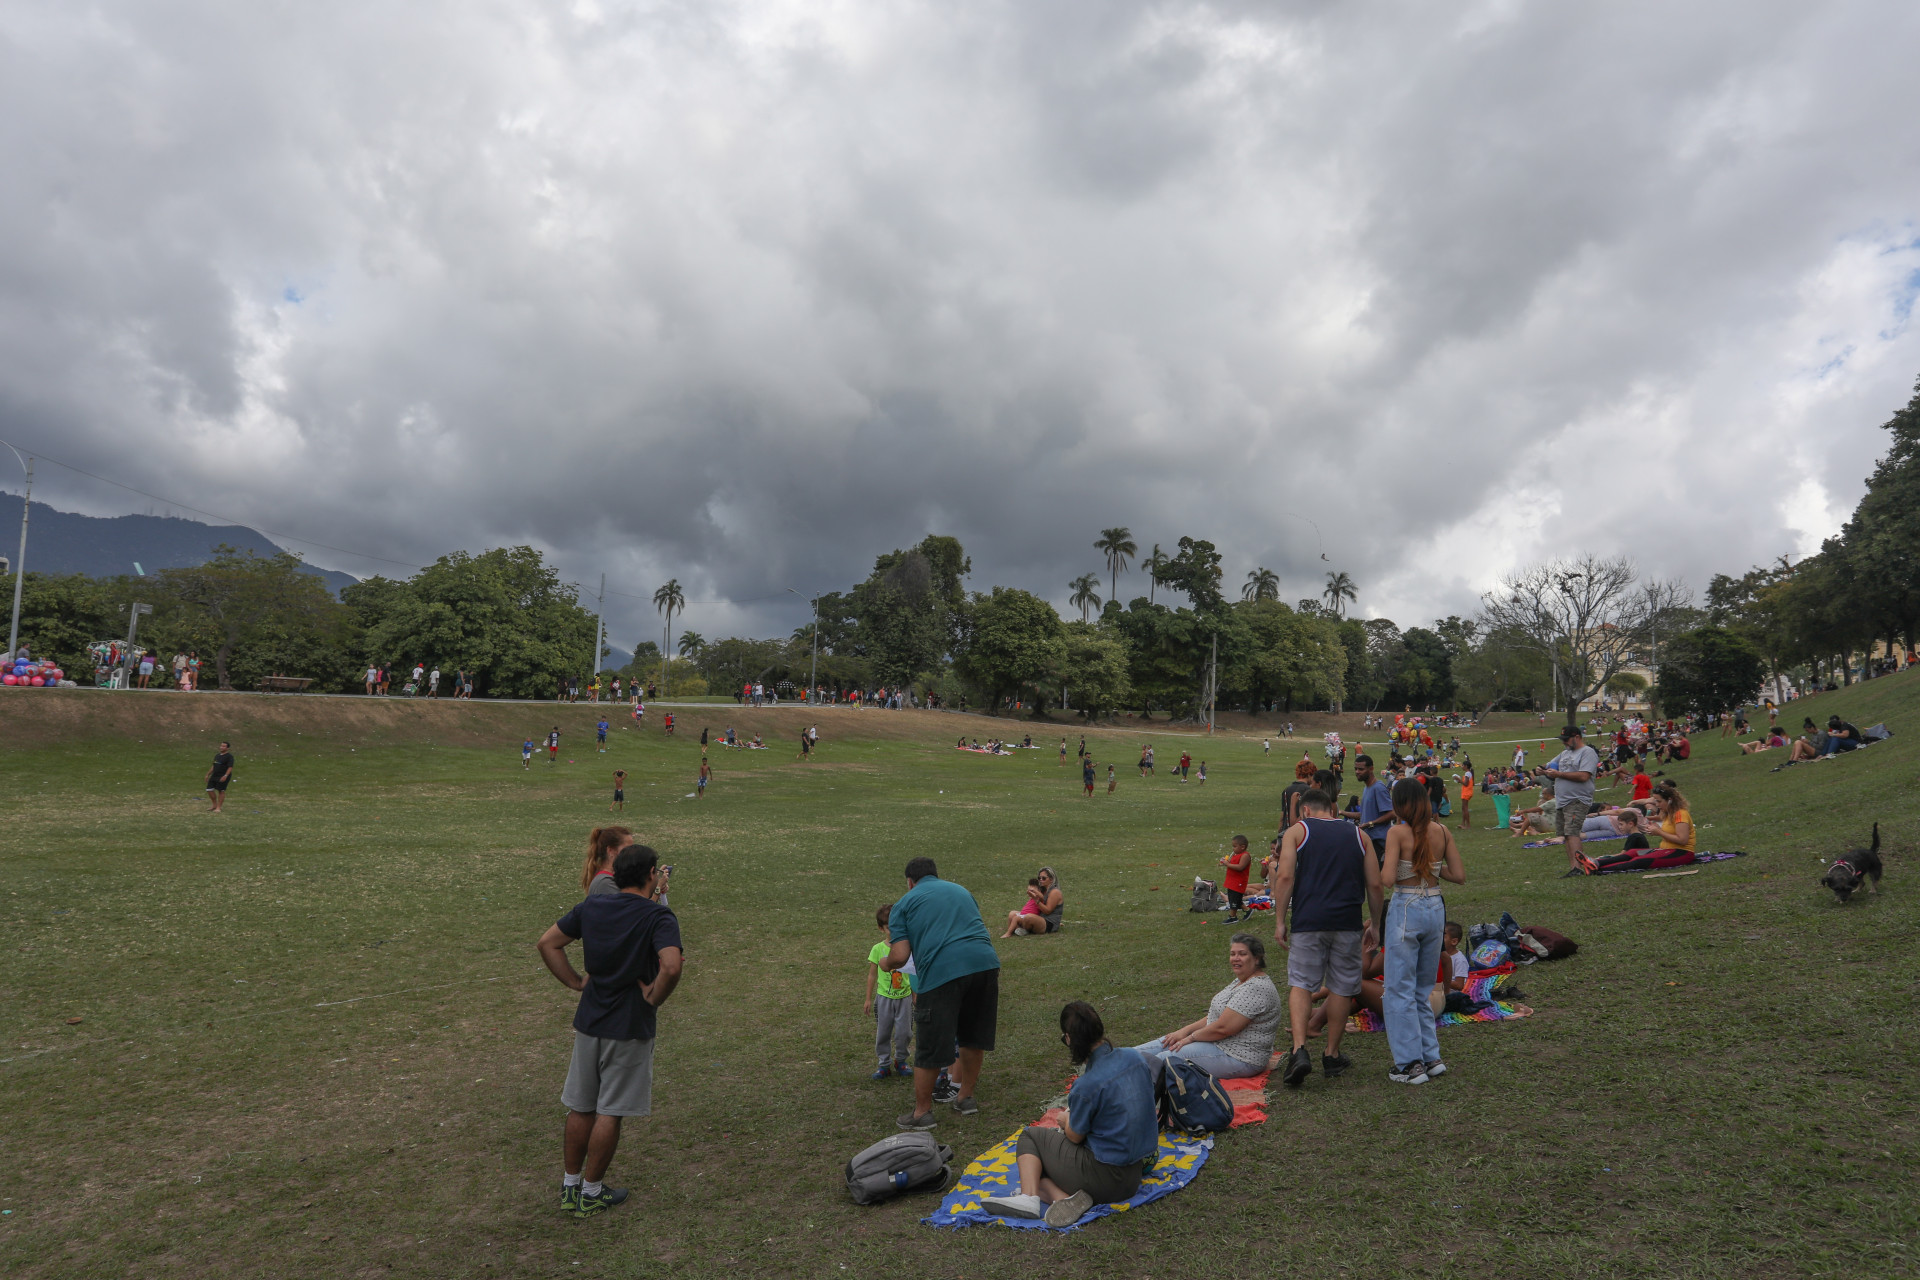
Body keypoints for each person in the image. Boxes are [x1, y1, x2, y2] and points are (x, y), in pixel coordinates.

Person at [536, 845, 682, 1217]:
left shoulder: (592, 907)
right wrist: (652, 999)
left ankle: (570, 1186)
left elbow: (548, 943)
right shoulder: (657, 916)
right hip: (629, 1024)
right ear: (652, 873)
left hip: (590, 1020)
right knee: (610, 1110)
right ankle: (592, 1192)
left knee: (581, 1105)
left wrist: (575, 983)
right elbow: (671, 966)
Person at [980, 1002, 1158, 1228]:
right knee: (1037, 1168)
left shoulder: (1086, 1085)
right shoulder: (1135, 1057)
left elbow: (1075, 1136)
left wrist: (1065, 1120)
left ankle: (1028, 1198)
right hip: (1134, 1176)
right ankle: (1061, 1197)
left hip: (1104, 1179)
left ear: (1069, 1039)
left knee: (1031, 1138)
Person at [1271, 788, 1384, 1087]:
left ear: (1306, 811)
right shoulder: (1360, 836)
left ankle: (1299, 1050)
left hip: (1309, 921)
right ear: (1332, 810)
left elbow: (1284, 877)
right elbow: (1374, 884)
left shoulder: (1297, 831)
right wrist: (1375, 923)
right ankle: (1332, 1054)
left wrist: (1280, 920)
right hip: (1347, 923)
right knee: (1341, 987)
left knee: (1301, 984)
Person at [880, 857, 1000, 1128]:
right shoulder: (961, 891)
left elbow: (899, 955)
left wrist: (884, 963)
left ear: (910, 882)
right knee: (972, 1037)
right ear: (935, 875)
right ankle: (965, 1097)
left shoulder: (905, 903)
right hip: (985, 964)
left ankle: (921, 1113)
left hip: (943, 972)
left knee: (930, 1043)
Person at [1378, 779, 1466, 1085]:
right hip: (1435, 908)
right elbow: (1459, 875)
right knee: (1424, 986)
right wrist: (1429, 866)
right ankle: (1432, 1057)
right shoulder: (1442, 831)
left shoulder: (1396, 832)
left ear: (1400, 804)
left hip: (1406, 907)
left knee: (1398, 988)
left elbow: (1388, 879)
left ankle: (1409, 1065)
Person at [1133, 933, 1280, 1080]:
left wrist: (1190, 1038)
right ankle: (1116, 1061)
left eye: (1242, 954)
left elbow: (1223, 1028)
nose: (1235, 958)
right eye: (1232, 954)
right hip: (1219, 1042)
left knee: (1164, 1059)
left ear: (1257, 958)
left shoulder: (1256, 988)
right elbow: (1216, 1016)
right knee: (1150, 1048)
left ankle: (1123, 1086)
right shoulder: (1240, 981)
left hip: (1239, 1056)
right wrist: (1183, 1031)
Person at [1540, 726, 1598, 878]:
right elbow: (1551, 768)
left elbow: (1584, 776)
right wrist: (1543, 771)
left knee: (1572, 833)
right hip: (1562, 800)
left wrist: (1559, 773)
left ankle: (1580, 868)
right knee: (1566, 834)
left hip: (1577, 799)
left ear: (1577, 737)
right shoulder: (1565, 753)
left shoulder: (1587, 752)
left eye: (1566, 739)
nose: (1564, 743)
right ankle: (1574, 867)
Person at [865, 903, 915, 1079]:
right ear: (881, 928)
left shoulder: (908, 947)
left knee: (904, 1033)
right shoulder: (878, 949)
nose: (892, 931)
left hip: (905, 998)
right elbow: (872, 975)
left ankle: (901, 1061)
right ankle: (883, 1064)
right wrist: (868, 999)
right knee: (883, 1032)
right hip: (884, 998)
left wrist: (915, 995)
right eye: (888, 928)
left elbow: (914, 973)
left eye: (896, 927)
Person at [1349, 755, 1393, 863]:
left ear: (1371, 769)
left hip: (1378, 844)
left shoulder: (1378, 788)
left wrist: (1370, 824)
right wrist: (1341, 812)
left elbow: (1392, 813)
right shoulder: (1367, 787)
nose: (1357, 772)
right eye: (1356, 769)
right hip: (1368, 841)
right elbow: (1364, 814)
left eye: (1361, 769)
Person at [1002, 867, 1064, 937]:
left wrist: (1036, 900)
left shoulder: (1055, 892)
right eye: (1039, 878)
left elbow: (1047, 911)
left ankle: (1017, 929)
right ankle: (1019, 929)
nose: (1040, 880)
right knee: (1012, 914)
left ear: (1051, 879)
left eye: (1043, 878)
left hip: (1049, 923)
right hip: (1039, 917)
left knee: (1028, 917)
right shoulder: (1043, 890)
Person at [581, 825, 633, 896]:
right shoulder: (605, 883)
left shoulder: (616, 877)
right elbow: (634, 906)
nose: (633, 853)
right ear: (610, 850)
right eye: (628, 849)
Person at [1650, 783, 1696, 853]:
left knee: (1637, 861)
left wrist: (1659, 832)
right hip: (1666, 851)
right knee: (1633, 852)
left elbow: (1682, 840)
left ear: (1670, 800)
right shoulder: (1668, 814)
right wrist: (1656, 830)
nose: (1657, 805)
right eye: (1656, 801)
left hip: (1681, 852)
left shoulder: (1680, 814)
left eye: (1659, 801)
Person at [1219, 835, 1252, 922]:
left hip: (1238, 882)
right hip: (1232, 881)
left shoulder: (1245, 856)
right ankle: (1247, 910)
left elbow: (1240, 867)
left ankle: (1233, 917)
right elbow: (1233, 864)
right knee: (1234, 898)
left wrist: (1228, 864)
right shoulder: (1235, 855)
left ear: (1242, 847)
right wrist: (1225, 862)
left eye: (1235, 846)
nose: (1233, 849)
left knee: (1234, 899)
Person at [205, 740, 235, 812]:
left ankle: (218, 807)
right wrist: (208, 774)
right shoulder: (217, 756)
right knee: (209, 789)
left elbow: (230, 767)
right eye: (221, 746)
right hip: (215, 775)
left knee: (221, 791)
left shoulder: (229, 757)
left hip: (223, 776)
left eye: (224, 746)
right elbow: (214, 766)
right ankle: (214, 805)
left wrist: (225, 775)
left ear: (227, 748)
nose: (221, 747)